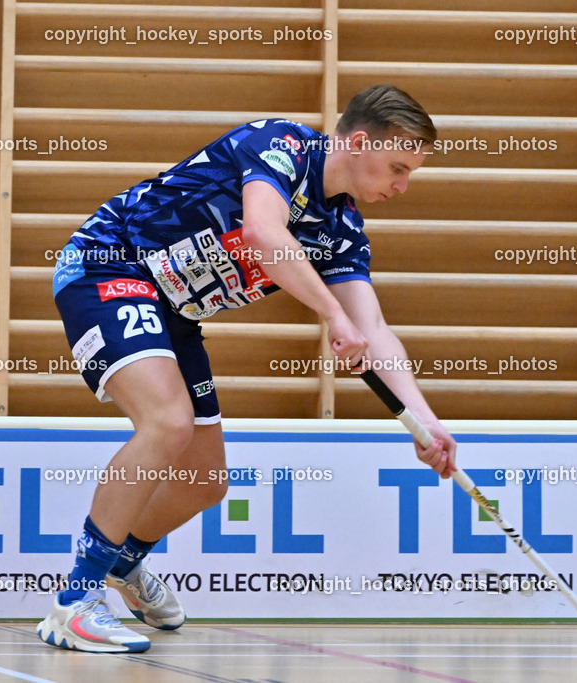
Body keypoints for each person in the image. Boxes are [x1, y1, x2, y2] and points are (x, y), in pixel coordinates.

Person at [39, 84, 459, 653]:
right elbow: (263, 232)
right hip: (109, 264)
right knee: (167, 422)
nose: (402, 187)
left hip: (172, 308)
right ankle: (77, 602)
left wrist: (424, 419)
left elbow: (376, 331)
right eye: (397, 168)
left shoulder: (341, 231)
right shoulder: (280, 144)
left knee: (205, 480)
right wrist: (332, 315)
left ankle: (124, 561)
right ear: (359, 141)